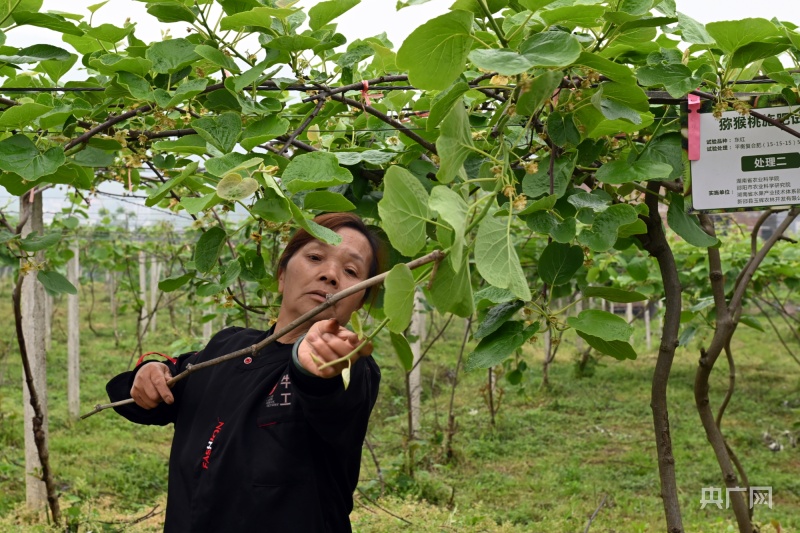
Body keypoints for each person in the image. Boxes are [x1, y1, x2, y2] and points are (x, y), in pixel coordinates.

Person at [106, 213, 386, 532]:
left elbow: (331, 395)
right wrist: (146, 374)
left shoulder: (349, 366)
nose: (331, 275)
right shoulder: (227, 347)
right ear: (282, 275)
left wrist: (313, 371)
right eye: (315, 256)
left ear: (360, 302)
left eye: (351, 270)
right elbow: (148, 396)